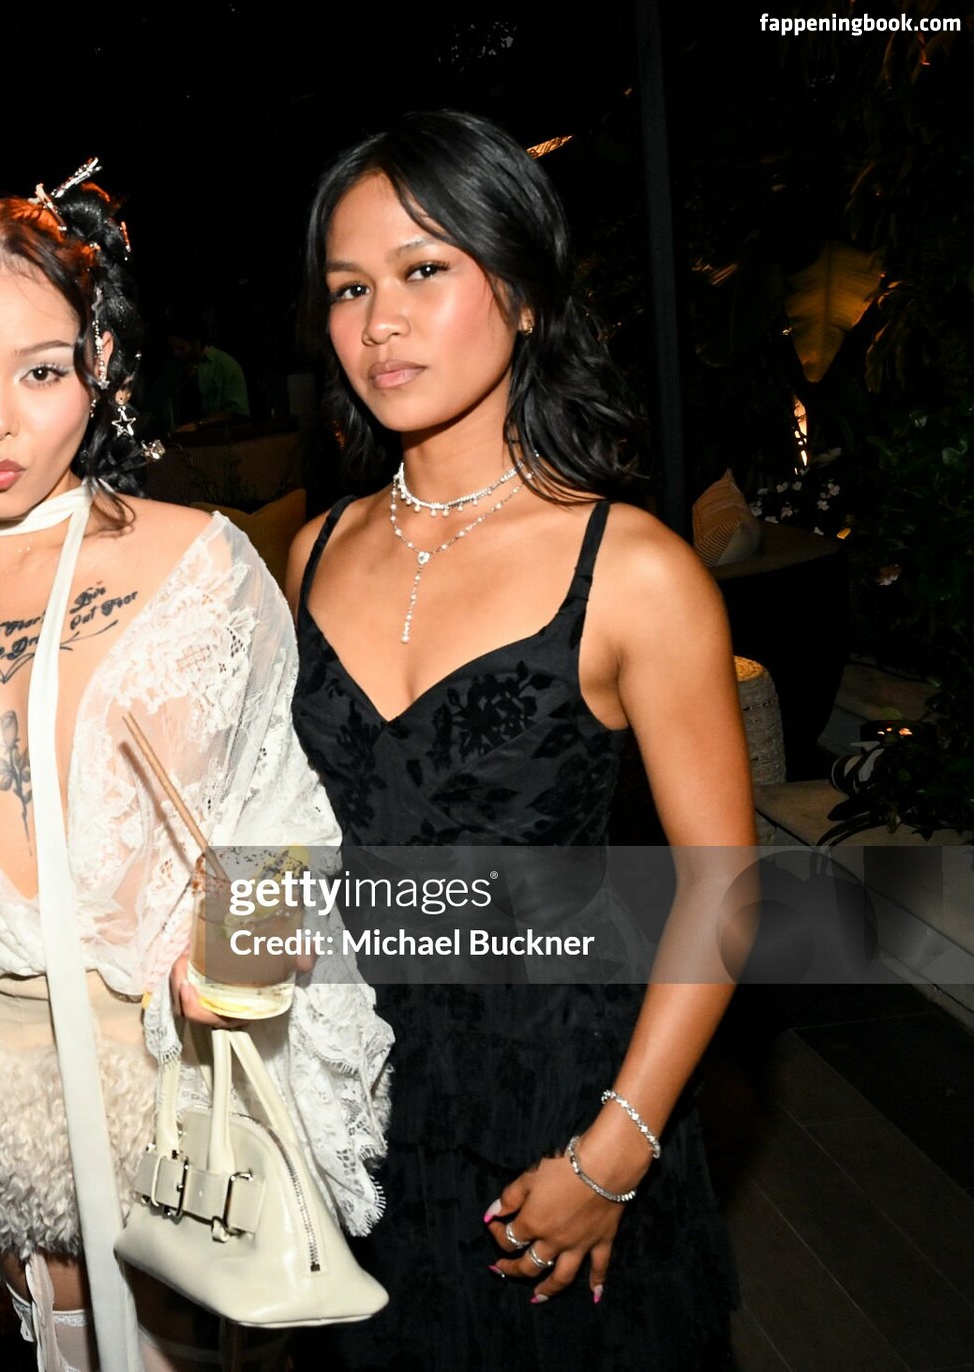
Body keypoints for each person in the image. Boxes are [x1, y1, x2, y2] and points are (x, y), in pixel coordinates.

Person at [0, 171, 392, 1372]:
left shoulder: (200, 565)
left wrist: (237, 970)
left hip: (178, 1124)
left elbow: (280, 818)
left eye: (41, 370)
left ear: (98, 366)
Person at [286, 110, 748, 1369]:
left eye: (424, 269)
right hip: (353, 1112)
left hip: (562, 1113)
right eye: (349, 287)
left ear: (527, 294)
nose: (379, 321)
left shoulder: (634, 570)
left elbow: (725, 890)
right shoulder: (308, 554)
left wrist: (614, 1155)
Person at [165, 314, 250, 427]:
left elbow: (237, 412)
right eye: (173, 348)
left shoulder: (224, 365)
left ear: (197, 342)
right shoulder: (174, 370)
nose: (176, 353)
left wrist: (197, 425)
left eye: (181, 348)